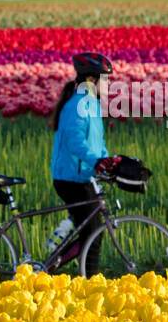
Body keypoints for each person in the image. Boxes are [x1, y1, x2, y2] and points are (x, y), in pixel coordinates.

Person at [50, 53, 121, 274]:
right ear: (91, 80)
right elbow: (75, 141)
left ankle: (70, 273)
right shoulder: (78, 105)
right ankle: (84, 281)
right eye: (105, 79)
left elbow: (97, 143)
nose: (108, 84)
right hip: (70, 178)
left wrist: (109, 162)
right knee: (93, 233)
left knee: (93, 232)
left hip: (83, 176)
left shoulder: (91, 104)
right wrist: (96, 161)